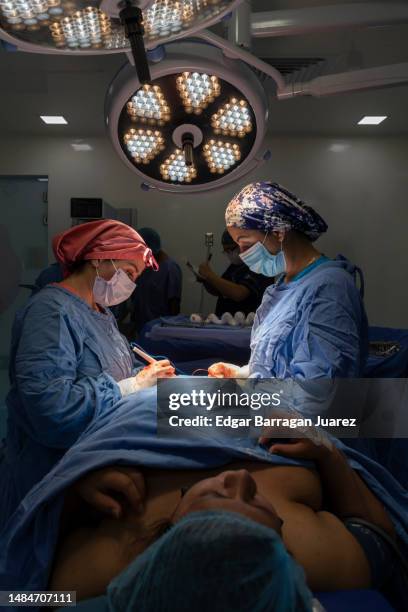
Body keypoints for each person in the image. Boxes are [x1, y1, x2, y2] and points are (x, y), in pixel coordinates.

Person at [49, 436, 399, 608]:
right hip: (257, 416)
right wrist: (329, 453)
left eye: (214, 499)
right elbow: (381, 538)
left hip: (152, 416)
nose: (240, 477)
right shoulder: (319, 554)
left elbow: (18, 593)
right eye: (257, 504)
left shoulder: (106, 562)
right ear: (283, 544)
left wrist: (76, 489)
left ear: (165, 537)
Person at [0, 219, 174, 525]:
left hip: (98, 449)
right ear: (98, 258)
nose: (130, 286)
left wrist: (150, 373)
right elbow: (52, 411)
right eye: (129, 274)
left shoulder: (100, 313)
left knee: (239, 409)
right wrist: (131, 387)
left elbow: (112, 366)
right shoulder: (50, 312)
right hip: (53, 475)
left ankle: (278, 412)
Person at [208, 182, 368, 380]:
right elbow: (276, 363)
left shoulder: (330, 288)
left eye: (246, 244)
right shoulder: (278, 289)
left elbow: (316, 393)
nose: (242, 255)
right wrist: (243, 373)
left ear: (278, 232)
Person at [198, 230, 272, 317]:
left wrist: (210, 275)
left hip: (247, 324)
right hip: (227, 323)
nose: (229, 253)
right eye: (226, 251)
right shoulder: (235, 266)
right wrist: (207, 280)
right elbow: (219, 291)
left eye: (231, 249)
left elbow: (239, 294)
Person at [130, 227, 182, 333]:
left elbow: (174, 306)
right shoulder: (145, 267)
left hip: (160, 330)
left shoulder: (170, 269)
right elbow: (138, 298)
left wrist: (169, 330)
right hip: (141, 327)